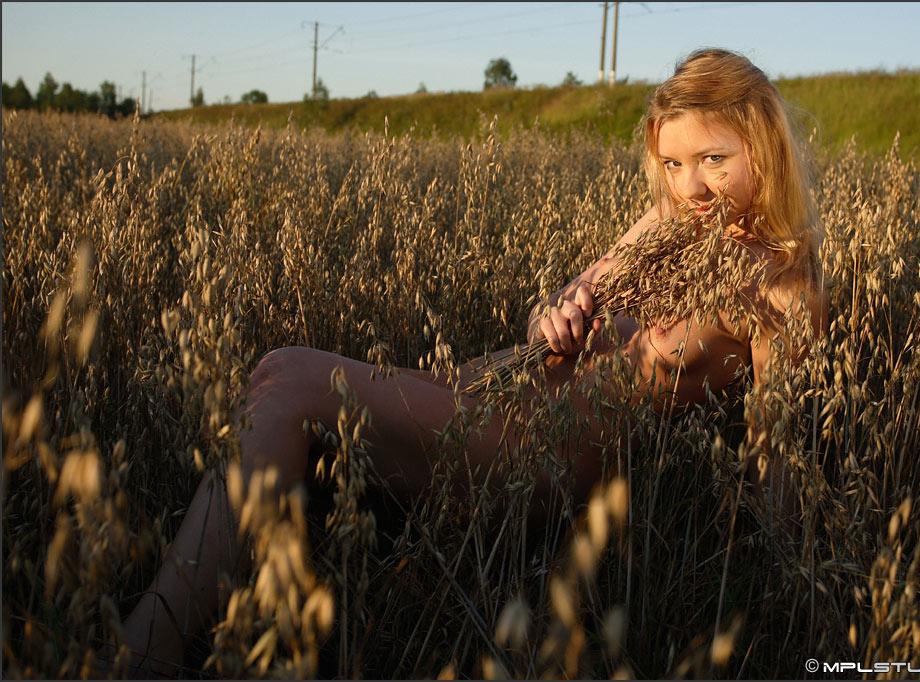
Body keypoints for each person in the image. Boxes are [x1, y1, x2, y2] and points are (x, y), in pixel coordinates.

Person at [109, 47, 829, 677]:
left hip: (531, 451)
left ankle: (140, 658)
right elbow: (555, 306)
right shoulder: (666, 222)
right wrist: (552, 315)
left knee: (291, 378)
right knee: (274, 377)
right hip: (483, 392)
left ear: (763, 147)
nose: (690, 186)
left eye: (713, 160)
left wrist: (791, 607)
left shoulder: (781, 283)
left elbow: (779, 453)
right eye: (673, 163)